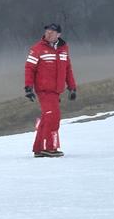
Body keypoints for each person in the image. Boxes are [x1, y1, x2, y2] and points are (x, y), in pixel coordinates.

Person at [24, 23, 77, 157]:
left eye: (52, 32)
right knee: (53, 117)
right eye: (47, 31)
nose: (48, 34)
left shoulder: (64, 49)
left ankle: (39, 148)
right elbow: (29, 68)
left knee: (47, 118)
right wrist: (28, 87)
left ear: (58, 35)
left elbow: (68, 69)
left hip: (56, 90)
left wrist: (72, 87)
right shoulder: (37, 49)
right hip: (44, 90)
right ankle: (50, 148)